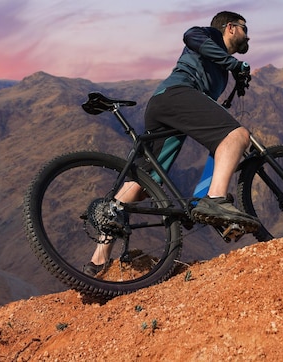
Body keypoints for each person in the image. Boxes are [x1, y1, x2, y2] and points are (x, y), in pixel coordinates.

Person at [84, 11, 259, 276]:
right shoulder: (210, 35)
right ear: (231, 28)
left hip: (168, 105)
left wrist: (234, 73)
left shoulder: (222, 64)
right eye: (246, 29)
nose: (249, 35)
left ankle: (97, 262)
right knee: (237, 136)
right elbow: (190, 36)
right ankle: (215, 199)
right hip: (176, 96)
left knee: (143, 184)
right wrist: (232, 64)